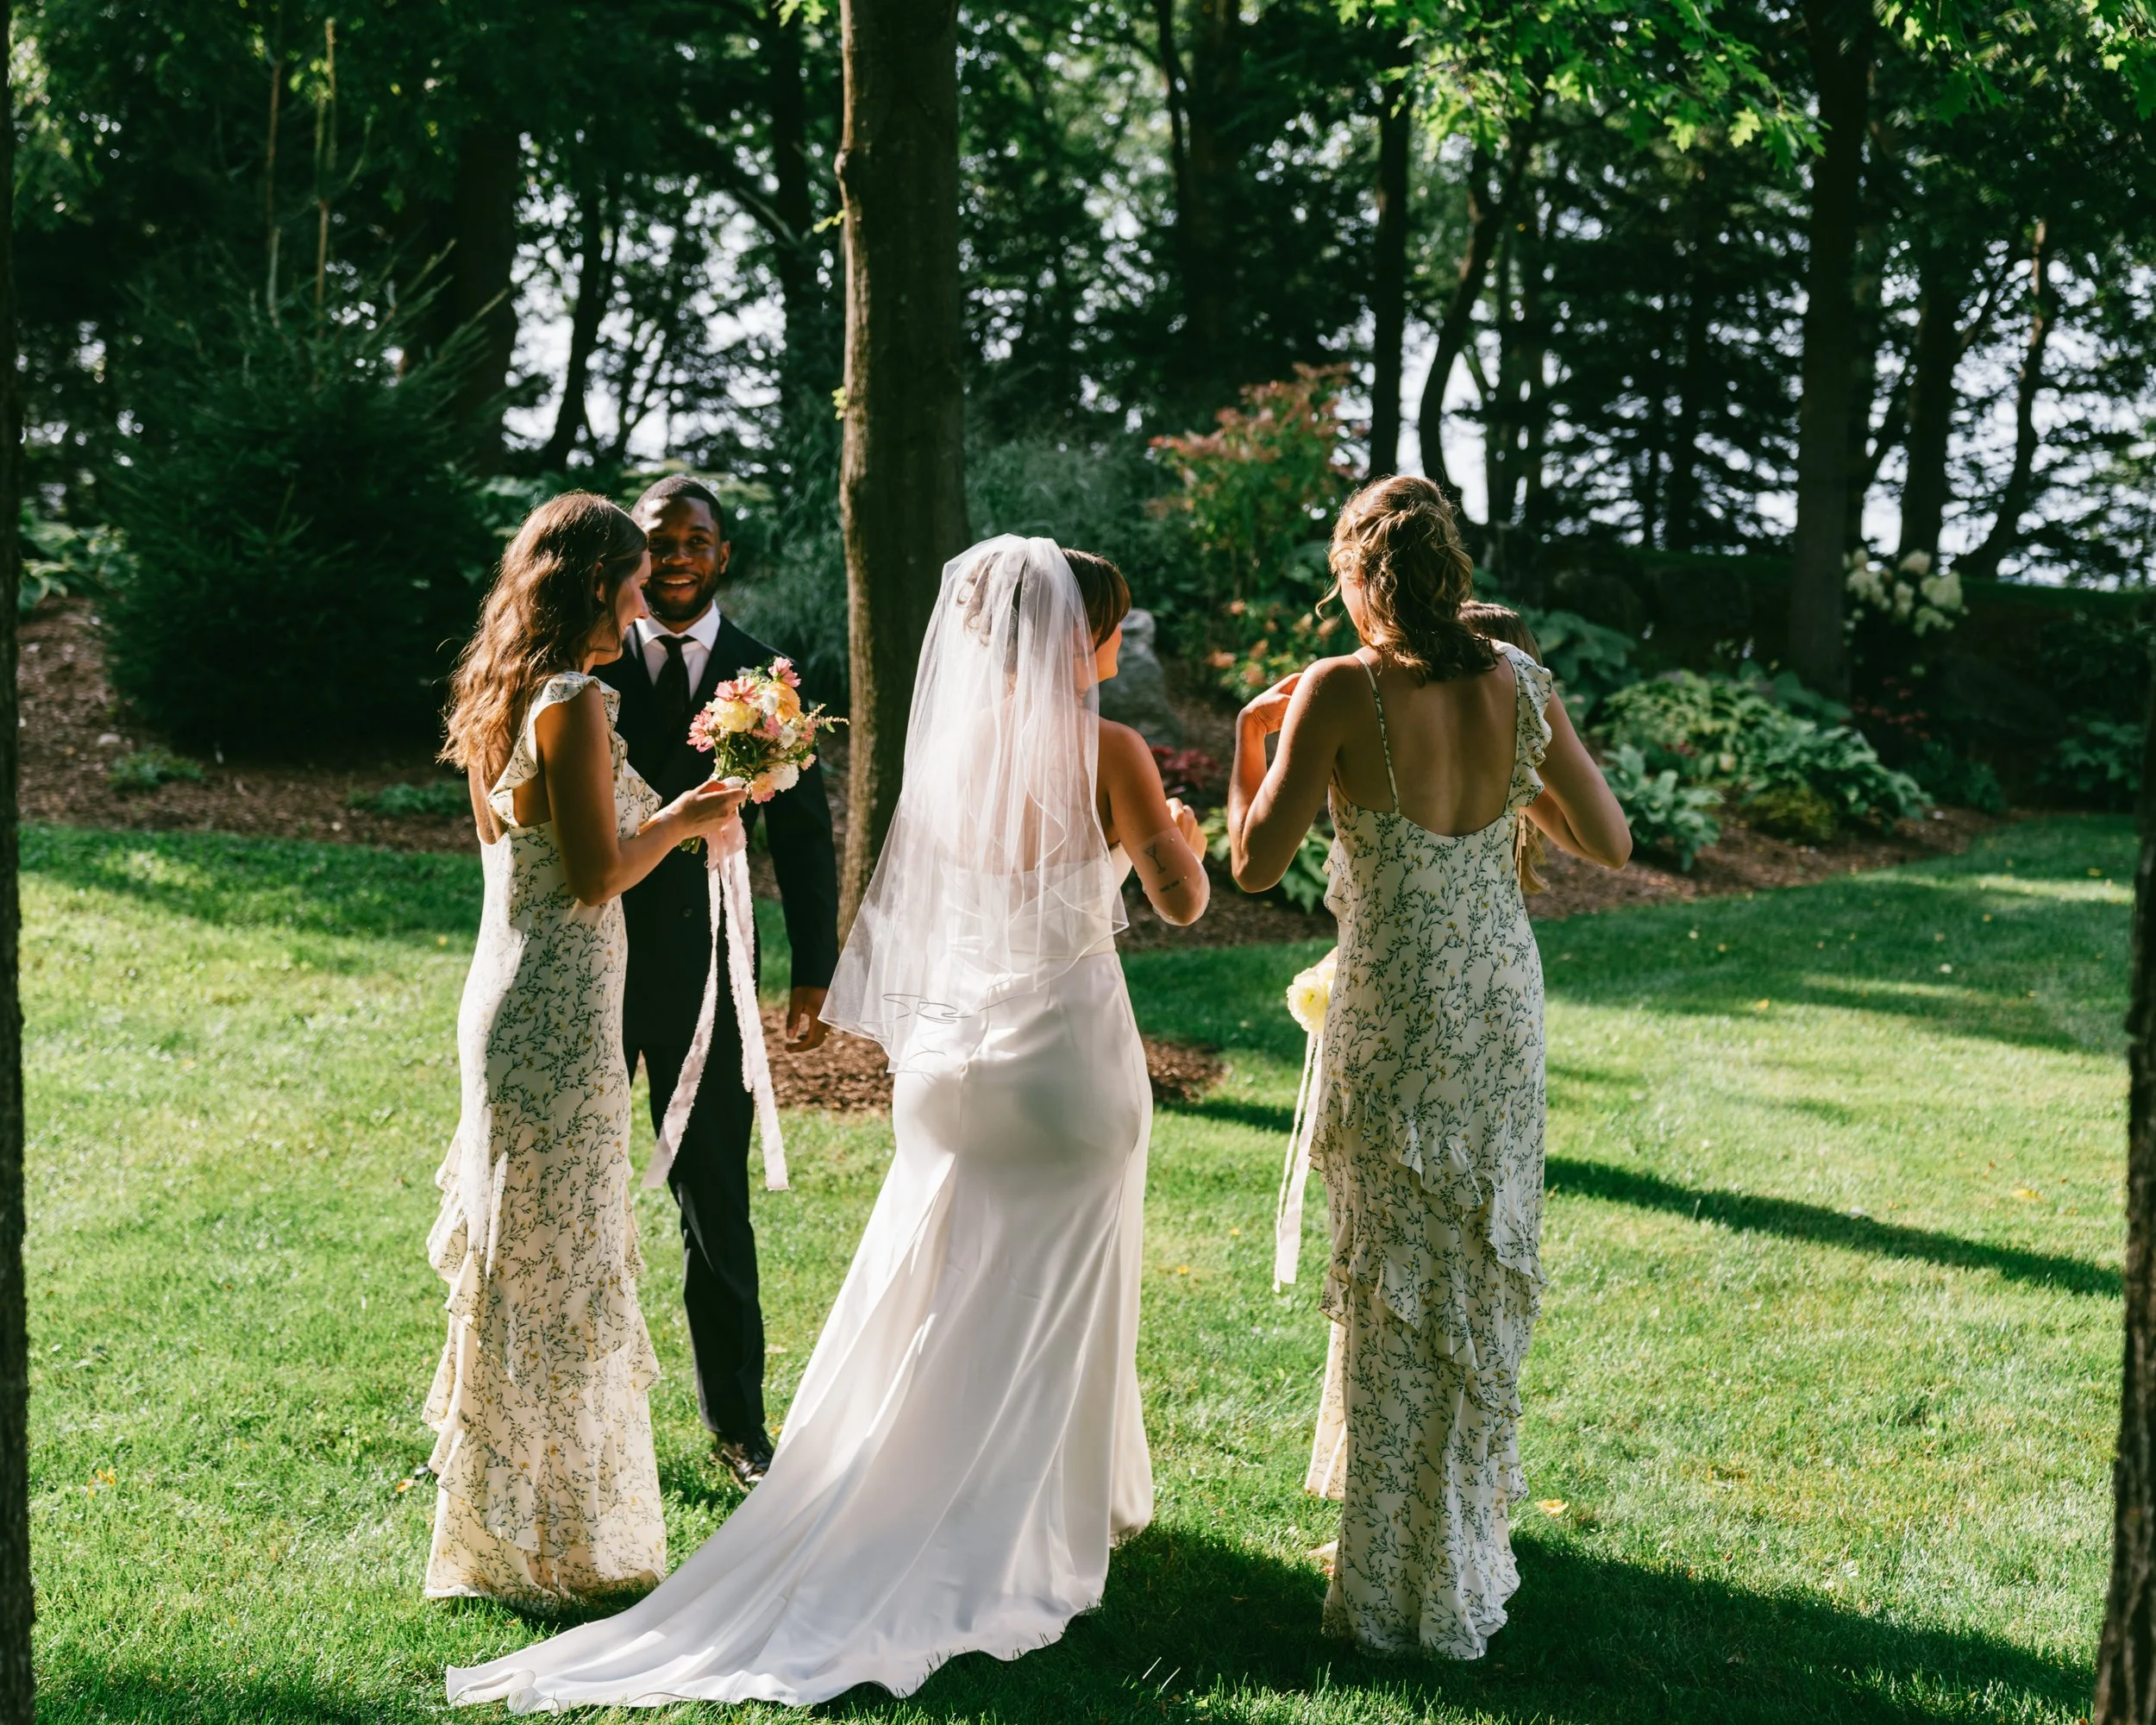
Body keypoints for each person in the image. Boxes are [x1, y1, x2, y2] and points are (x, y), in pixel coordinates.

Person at [446, 536, 1208, 1710]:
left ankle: (920, 1480)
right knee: (1054, 1279)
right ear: (1078, 633)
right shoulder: (1106, 748)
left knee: (940, 1289)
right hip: (1064, 1063)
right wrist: (1181, 841)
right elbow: (1182, 899)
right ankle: (1030, 1510)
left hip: (949, 1070)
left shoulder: (953, 751)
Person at [1226, 475, 1630, 1659]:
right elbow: (1609, 840)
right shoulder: (1523, 683)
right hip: (1497, 1004)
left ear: (1362, 577)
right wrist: (1513, 796)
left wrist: (1252, 742)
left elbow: (1253, 865)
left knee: (1393, 1274)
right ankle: (1456, 1539)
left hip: (1400, 1007)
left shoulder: (1339, 688)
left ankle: (1393, 1568)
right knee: (1467, 1266)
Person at [426, 493, 749, 1603]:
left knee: (531, 1266)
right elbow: (596, 872)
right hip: (559, 1010)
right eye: (633, 577)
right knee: (560, 1267)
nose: (644, 594)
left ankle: (519, 1533)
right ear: (595, 582)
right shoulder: (567, 698)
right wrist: (685, 820)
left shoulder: (503, 689)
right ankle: (552, 1544)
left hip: (512, 994)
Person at [597, 474, 841, 1490]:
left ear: (723, 554)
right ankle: (573, 1419)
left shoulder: (764, 678)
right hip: (594, 961)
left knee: (716, 1207)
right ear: (636, 551)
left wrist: (813, 970)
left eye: (696, 539)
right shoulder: (589, 663)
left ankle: (738, 1425)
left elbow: (806, 841)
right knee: (573, 1193)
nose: (677, 556)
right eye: (660, 539)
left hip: (711, 976)